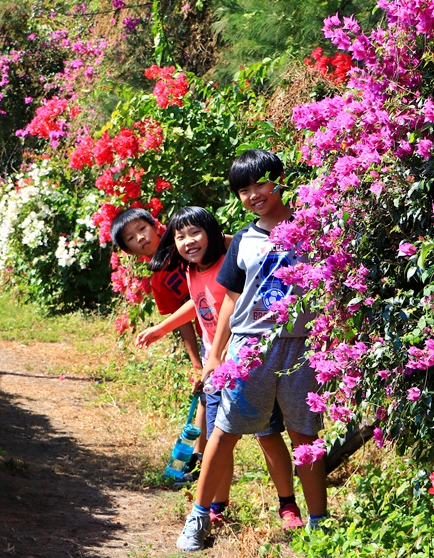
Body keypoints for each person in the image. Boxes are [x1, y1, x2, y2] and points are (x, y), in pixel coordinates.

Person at [176, 150, 327, 552]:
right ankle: (198, 518)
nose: (254, 194)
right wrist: (215, 354)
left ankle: (318, 523)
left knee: (304, 435)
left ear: (279, 179)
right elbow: (230, 299)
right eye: (244, 190)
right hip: (251, 347)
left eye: (260, 183)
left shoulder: (312, 227)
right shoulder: (244, 238)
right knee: (223, 433)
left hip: (299, 346)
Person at [138, 206, 297, 528]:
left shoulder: (231, 260)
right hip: (215, 368)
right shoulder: (190, 270)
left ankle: (288, 504)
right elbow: (198, 304)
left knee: (267, 434)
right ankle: (217, 506)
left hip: (246, 361)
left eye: (196, 232)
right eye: (180, 236)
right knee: (217, 440)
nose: (188, 241)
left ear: (212, 233)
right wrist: (160, 329)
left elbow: (236, 251)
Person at [110, 208, 203, 473]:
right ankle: (197, 458)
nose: (139, 237)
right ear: (128, 251)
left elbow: (208, 290)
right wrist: (196, 364)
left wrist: (159, 329)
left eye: (142, 228)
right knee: (208, 396)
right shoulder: (158, 281)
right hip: (208, 334)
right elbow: (183, 321)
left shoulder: (185, 246)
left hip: (237, 322)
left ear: (155, 225)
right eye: (130, 238)